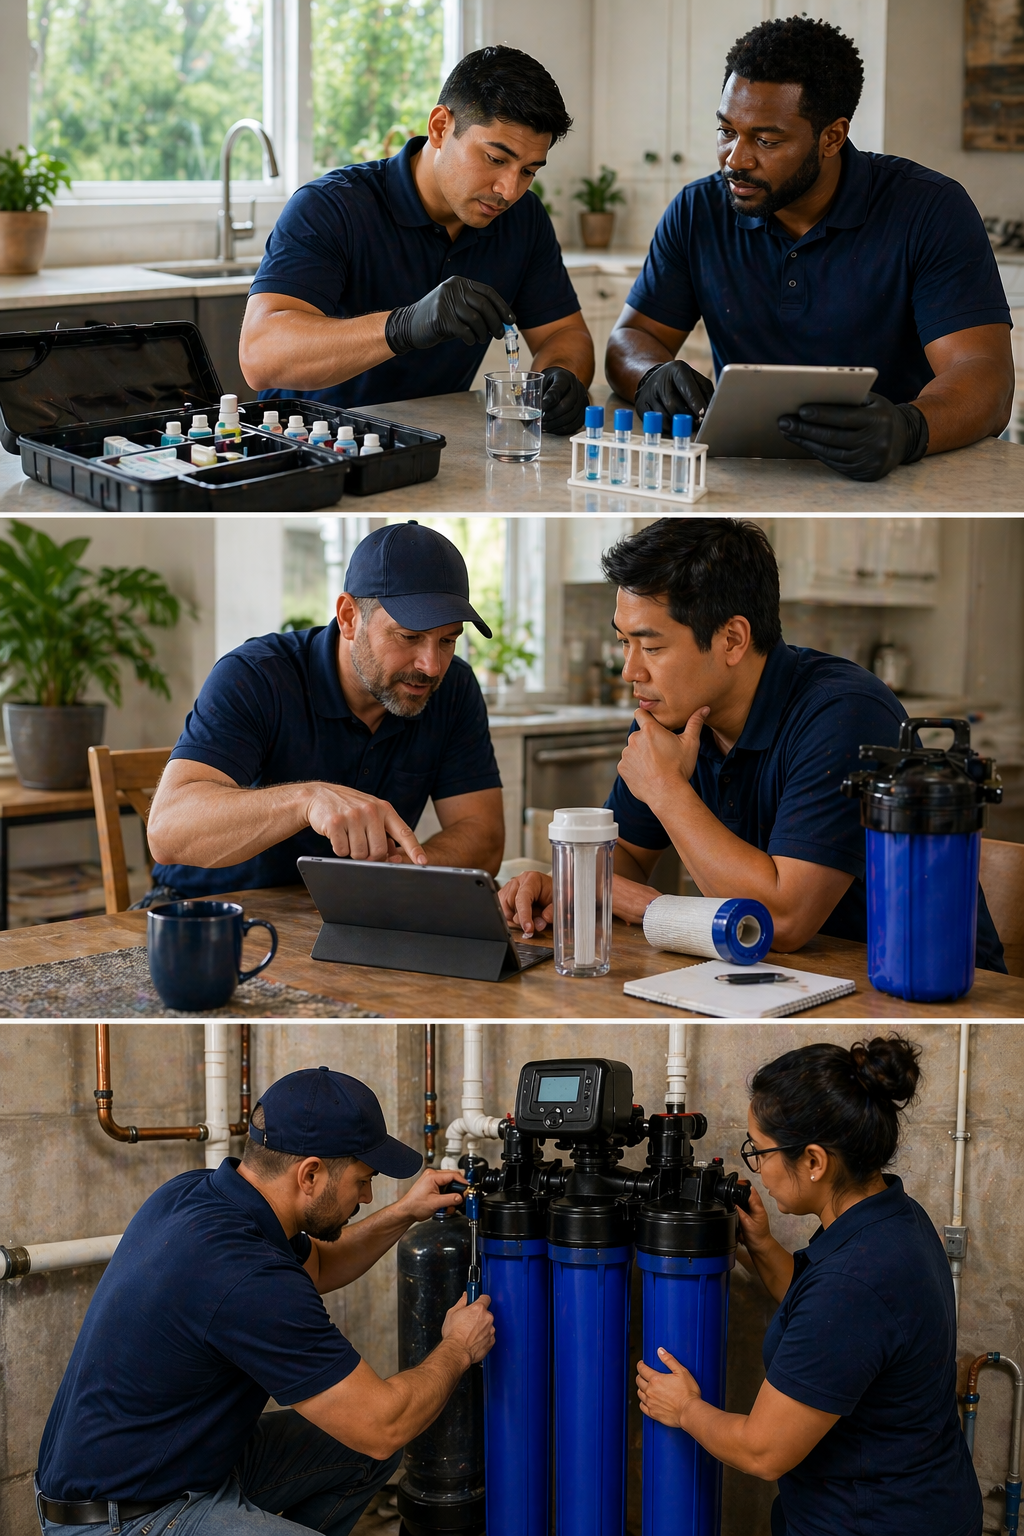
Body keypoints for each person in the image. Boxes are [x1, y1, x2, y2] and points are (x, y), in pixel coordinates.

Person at [499, 518, 1005, 969]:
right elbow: (624, 863)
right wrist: (568, 886)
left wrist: (666, 791)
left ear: (733, 641)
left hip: (919, 988)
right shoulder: (669, 713)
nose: (631, 671)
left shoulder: (843, 712)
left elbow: (782, 922)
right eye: (623, 643)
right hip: (776, 977)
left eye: (651, 646)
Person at [34, 1065, 495, 1536]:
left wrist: (406, 1213)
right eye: (363, 1179)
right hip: (127, 1516)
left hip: (171, 1467)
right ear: (310, 1174)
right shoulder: (248, 1274)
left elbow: (321, 1265)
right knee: (380, 1436)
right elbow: (383, 1425)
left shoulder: (197, 1194)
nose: (369, 1194)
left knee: (356, 1455)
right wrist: (459, 1347)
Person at [606, 16, 1014, 480]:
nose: (735, 160)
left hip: (902, 472)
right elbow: (631, 339)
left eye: (766, 140)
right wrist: (651, 374)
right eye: (726, 131)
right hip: (745, 473)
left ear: (832, 138)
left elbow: (987, 378)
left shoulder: (929, 209)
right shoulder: (697, 210)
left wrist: (908, 429)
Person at [636, 1035, 983, 1536]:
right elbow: (825, 1319)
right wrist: (761, 1245)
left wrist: (686, 1409)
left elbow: (764, 1450)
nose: (758, 1167)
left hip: (874, 1521)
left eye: (761, 1151)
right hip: (923, 1499)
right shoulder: (889, 1217)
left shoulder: (855, 1284)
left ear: (815, 1161)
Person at [240, 45, 593, 436]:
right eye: (495, 159)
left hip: (430, 449)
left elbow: (564, 334)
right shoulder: (332, 206)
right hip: (308, 447)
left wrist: (561, 377)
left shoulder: (523, 220)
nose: (508, 189)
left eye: (528, 170)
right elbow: (260, 356)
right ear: (441, 127)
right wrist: (404, 325)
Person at [146, 522, 505, 898]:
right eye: (409, 636)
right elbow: (168, 831)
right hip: (206, 912)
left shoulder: (453, 687)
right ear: (350, 617)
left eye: (447, 640)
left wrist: (406, 868)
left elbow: (484, 836)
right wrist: (307, 799)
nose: (431, 666)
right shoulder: (257, 676)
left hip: (350, 913)